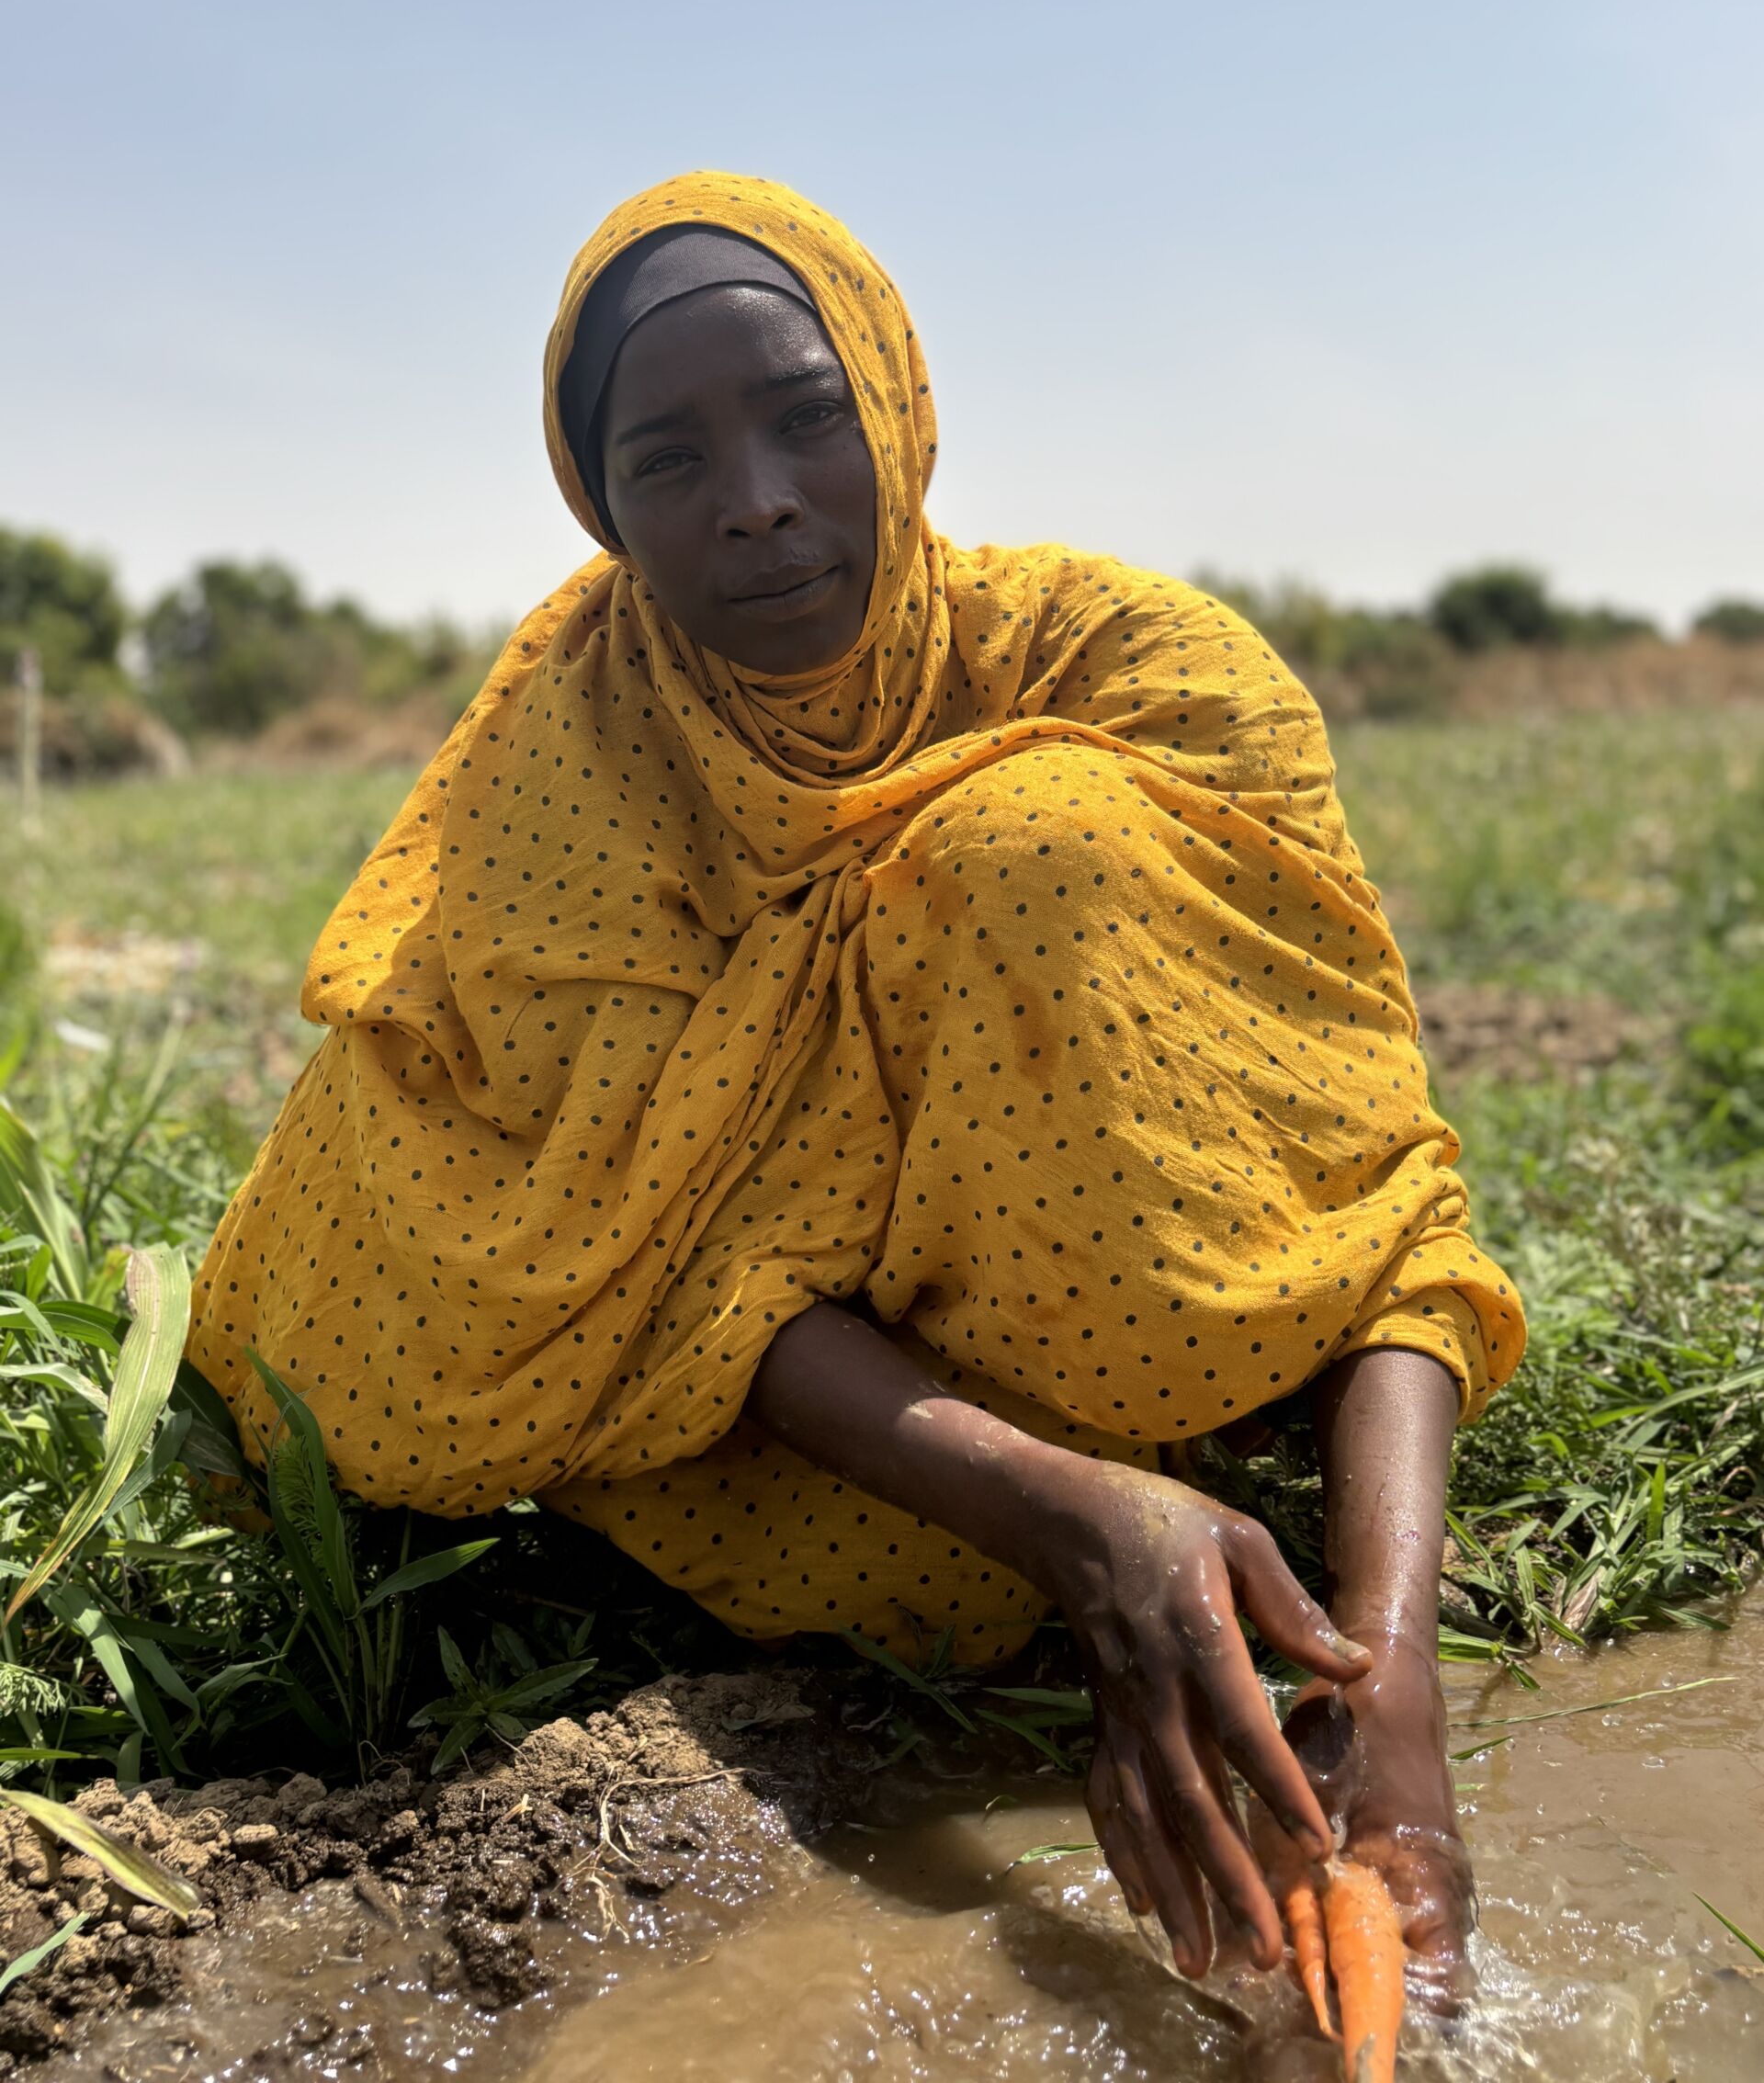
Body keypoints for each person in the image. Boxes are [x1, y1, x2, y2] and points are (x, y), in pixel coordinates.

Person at [187, 171, 1523, 1993]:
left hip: (1163, 1309)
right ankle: (1098, 1516)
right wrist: (1061, 1518)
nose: (757, 502)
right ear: (603, 505)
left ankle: (1171, 1494)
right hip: (828, 1405)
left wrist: (1396, 1700)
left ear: (891, 401)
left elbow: (1381, 1207)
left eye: (807, 416)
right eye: (669, 461)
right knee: (400, 1190)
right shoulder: (576, 766)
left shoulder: (1149, 680)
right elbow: (666, 1259)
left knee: (1029, 836)